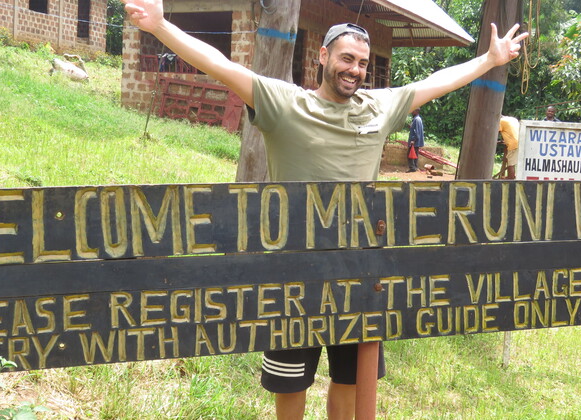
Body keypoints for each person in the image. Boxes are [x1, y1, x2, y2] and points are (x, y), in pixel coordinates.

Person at [122, 1, 527, 417]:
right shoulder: (285, 104)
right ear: (323, 56)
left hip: (360, 273)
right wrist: (161, 27)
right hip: (294, 274)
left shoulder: (378, 108)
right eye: (346, 58)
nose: (354, 69)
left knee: (351, 380)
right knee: (291, 383)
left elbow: (439, 80)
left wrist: (491, 59)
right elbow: (220, 65)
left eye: (363, 63)